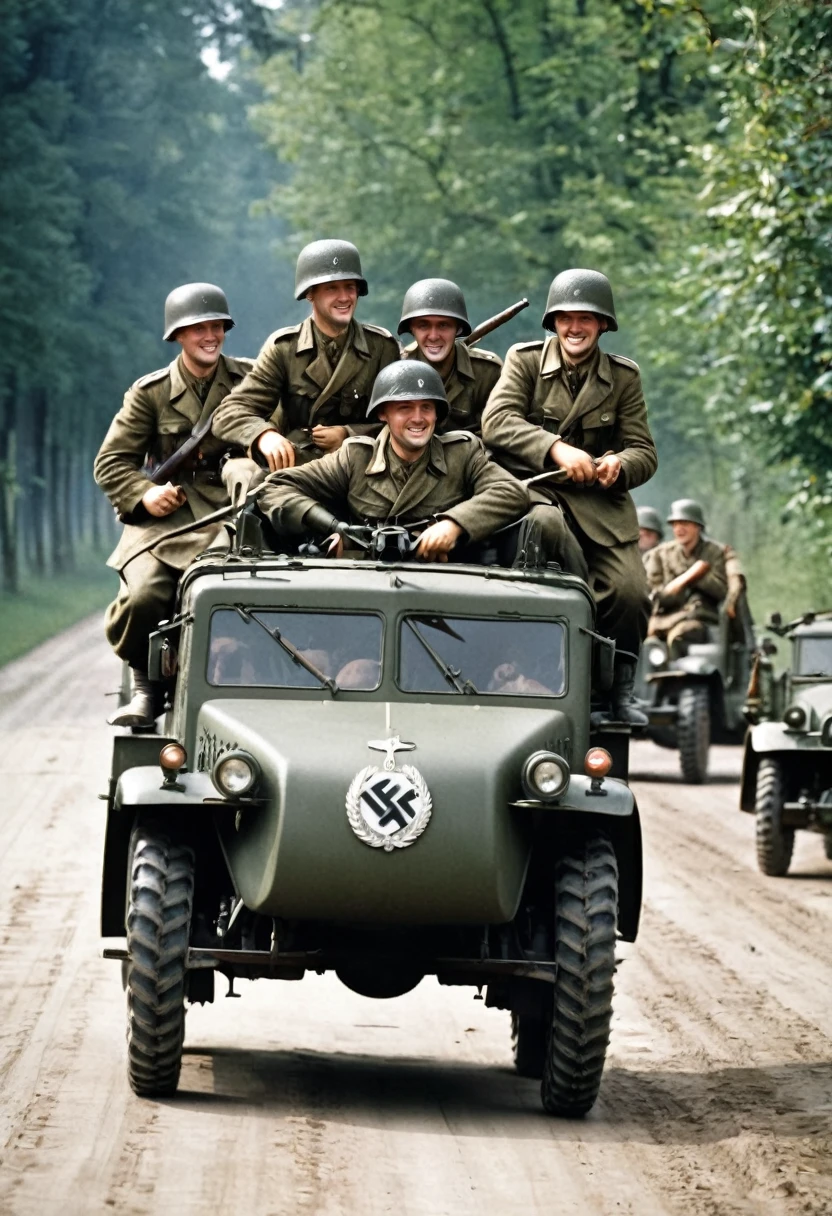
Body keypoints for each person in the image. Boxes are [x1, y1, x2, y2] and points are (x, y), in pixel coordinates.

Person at [481, 268, 657, 725]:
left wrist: (620, 466)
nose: (574, 327)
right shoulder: (523, 362)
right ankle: (562, 674)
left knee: (632, 592)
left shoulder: (622, 378)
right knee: (551, 538)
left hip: (600, 503)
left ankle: (615, 690)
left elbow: (644, 451)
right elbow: (496, 422)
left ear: (603, 325)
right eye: (565, 318)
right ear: (553, 322)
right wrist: (554, 447)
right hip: (537, 493)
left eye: (585, 318)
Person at [94, 282, 253, 728]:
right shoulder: (151, 393)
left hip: (232, 512)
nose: (209, 336)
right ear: (178, 335)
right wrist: (145, 494)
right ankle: (148, 686)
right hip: (166, 517)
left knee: (236, 596)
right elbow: (110, 462)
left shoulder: (250, 380)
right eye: (197, 328)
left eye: (216, 326)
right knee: (143, 597)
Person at [256, 360, 530, 561]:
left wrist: (453, 524)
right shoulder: (355, 458)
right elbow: (274, 487)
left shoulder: (462, 454)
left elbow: (511, 491)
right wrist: (334, 526)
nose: (418, 418)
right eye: (404, 408)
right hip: (368, 586)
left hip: (443, 583)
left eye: (427, 407)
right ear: (383, 414)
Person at [212, 239, 400, 470]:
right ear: (310, 293)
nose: (344, 297)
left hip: (363, 466)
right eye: (332, 287)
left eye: (350, 287)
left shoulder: (381, 347)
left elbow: (403, 418)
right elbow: (229, 413)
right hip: (298, 465)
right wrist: (263, 434)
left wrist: (348, 433)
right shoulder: (285, 348)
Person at [399, 278, 502, 435]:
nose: (433, 336)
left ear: (458, 328)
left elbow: (499, 430)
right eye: (423, 325)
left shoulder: (486, 371)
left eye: (443, 325)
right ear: (411, 328)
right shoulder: (397, 369)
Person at [644, 499, 729, 658]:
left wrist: (696, 577)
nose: (679, 529)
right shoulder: (660, 555)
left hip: (699, 618)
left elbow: (722, 590)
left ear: (698, 526)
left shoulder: (714, 553)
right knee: (648, 645)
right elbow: (654, 593)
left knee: (678, 637)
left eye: (685, 523)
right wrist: (686, 577)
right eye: (675, 524)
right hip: (663, 619)